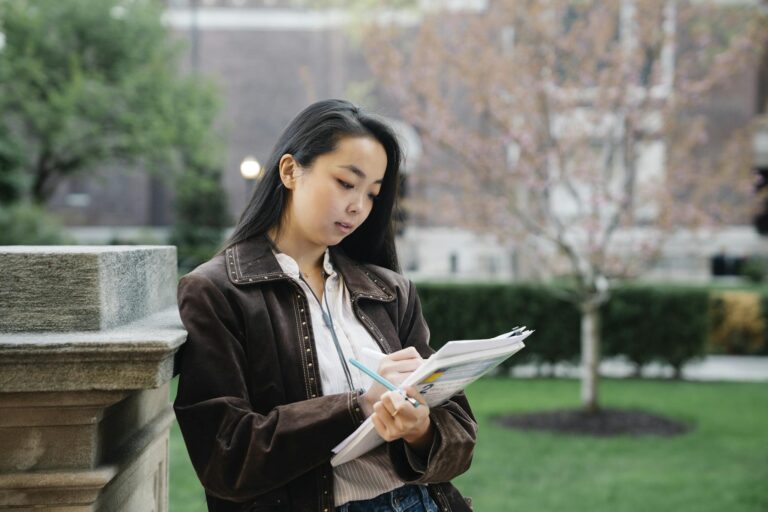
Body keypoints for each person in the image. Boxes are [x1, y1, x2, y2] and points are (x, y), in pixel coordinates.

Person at [174, 99, 476, 512]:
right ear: (289, 171)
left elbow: (460, 436)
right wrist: (358, 406)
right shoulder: (216, 292)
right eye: (345, 183)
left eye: (372, 193)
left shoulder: (390, 291)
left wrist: (420, 430)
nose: (359, 206)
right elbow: (226, 456)